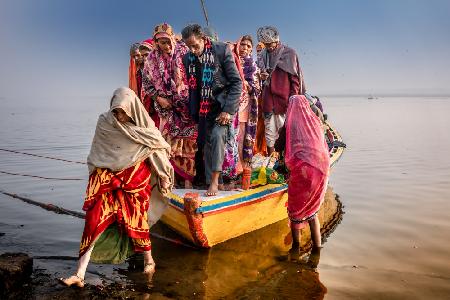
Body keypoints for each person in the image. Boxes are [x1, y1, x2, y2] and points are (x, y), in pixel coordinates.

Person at [60, 87, 174, 288]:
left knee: (138, 220)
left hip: (135, 181)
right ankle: (79, 274)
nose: (119, 116)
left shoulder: (146, 128)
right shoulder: (105, 123)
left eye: (122, 112)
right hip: (107, 180)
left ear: (132, 111)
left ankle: (149, 260)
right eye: (116, 111)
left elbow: (158, 151)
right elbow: (98, 153)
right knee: (94, 219)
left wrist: (164, 176)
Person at [181, 24, 242, 196]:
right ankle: (215, 182)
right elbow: (194, 88)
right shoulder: (187, 59)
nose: (193, 50)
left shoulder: (221, 50)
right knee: (206, 143)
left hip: (223, 106)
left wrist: (228, 111)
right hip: (203, 108)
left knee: (217, 137)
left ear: (204, 39)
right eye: (189, 47)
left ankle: (214, 182)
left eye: (195, 45)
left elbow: (236, 82)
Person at [141, 23, 197, 188]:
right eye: (161, 42)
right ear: (156, 42)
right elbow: (147, 84)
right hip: (166, 110)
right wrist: (159, 97)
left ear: (173, 39)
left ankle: (188, 181)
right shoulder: (151, 59)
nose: (166, 45)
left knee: (189, 146)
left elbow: (194, 77)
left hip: (186, 107)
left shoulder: (185, 53)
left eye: (168, 41)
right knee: (167, 146)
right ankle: (171, 180)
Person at [275, 95, 330, 259]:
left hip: (304, 170)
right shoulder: (314, 121)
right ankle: (317, 251)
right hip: (322, 168)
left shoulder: (291, 123)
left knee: (295, 211)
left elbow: (278, 146)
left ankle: (295, 248)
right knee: (312, 211)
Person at [257, 26, 305, 155]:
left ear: (277, 41)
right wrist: (261, 77)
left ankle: (285, 160)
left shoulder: (289, 53)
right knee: (269, 133)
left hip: (284, 101)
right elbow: (258, 76)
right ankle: (272, 162)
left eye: (270, 44)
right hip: (268, 100)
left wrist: (293, 100)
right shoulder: (262, 55)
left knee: (285, 132)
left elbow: (295, 80)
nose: (268, 47)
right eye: (266, 44)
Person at [233, 35, 260, 171]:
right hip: (231, 104)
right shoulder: (231, 61)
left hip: (245, 105)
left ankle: (240, 167)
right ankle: (230, 167)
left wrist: (246, 85)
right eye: (243, 44)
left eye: (248, 46)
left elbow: (256, 88)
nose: (245, 48)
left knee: (241, 135)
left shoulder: (253, 66)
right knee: (232, 136)